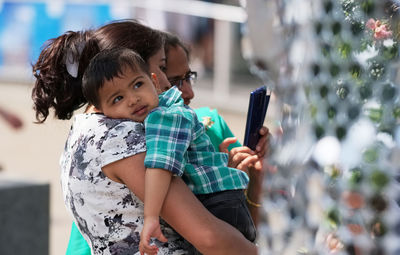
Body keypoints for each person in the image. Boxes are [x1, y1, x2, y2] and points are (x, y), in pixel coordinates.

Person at [32, 21, 259, 255]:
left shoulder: (85, 130)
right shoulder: (122, 139)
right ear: (127, 66)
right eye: (162, 67)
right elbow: (209, 237)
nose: (164, 80)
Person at [80, 47, 256, 254]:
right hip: (218, 201)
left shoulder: (167, 116)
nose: (133, 99)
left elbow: (161, 165)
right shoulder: (149, 118)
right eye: (118, 99)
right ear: (101, 111)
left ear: (154, 82)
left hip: (219, 204)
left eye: (138, 85)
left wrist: (151, 217)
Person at [163, 31, 267, 226]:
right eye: (174, 82)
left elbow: (249, 232)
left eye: (188, 77)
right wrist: (222, 185)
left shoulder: (211, 124)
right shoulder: (150, 151)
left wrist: (255, 178)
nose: (189, 92)